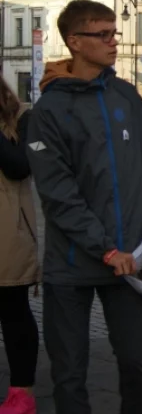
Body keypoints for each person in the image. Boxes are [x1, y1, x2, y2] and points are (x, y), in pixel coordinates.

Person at [26, 0, 142, 414]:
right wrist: (104, 248)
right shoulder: (49, 111)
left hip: (127, 261)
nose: (114, 42)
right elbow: (58, 193)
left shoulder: (127, 96)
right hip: (71, 267)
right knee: (69, 372)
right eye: (103, 34)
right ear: (75, 42)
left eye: (115, 32)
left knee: (137, 359)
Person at [0, 78, 40, 414]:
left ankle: (21, 392)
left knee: (14, 313)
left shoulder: (22, 117)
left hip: (8, 234)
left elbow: (19, 166)